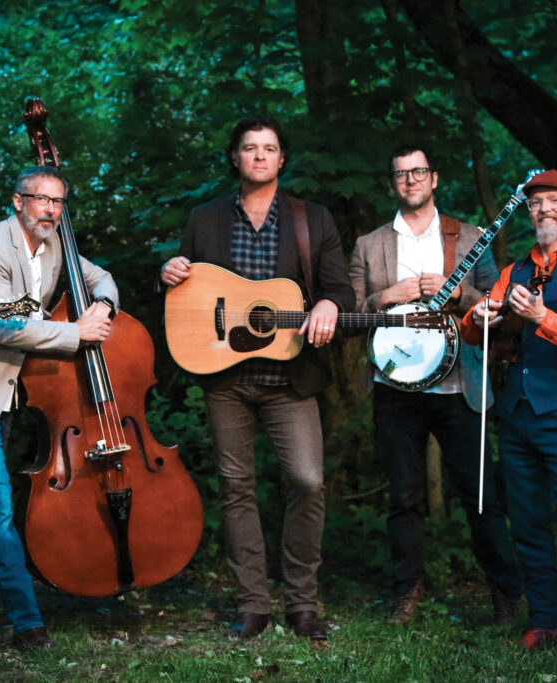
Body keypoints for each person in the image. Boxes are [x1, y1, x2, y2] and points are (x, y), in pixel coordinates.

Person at [160, 116, 355, 642]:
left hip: (290, 376)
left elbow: (341, 288)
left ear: (282, 159)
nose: (260, 156)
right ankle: (253, 605)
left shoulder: (310, 219)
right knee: (236, 488)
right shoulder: (205, 218)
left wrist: (332, 305)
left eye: (270, 149)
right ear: (235, 157)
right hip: (223, 375)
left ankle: (302, 603)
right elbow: (190, 293)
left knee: (308, 481)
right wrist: (171, 273)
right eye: (250, 148)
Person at [0, 165, 117, 650]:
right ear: (17, 201)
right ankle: (26, 621)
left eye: (57, 202)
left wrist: (104, 306)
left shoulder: (56, 243)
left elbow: (100, 277)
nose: (49, 210)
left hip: (17, 393)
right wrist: (77, 334)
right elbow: (7, 328)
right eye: (40, 199)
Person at [347, 145, 522, 625]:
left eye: (418, 171)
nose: (410, 180)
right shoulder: (370, 244)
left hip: (460, 385)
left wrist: (455, 290)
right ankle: (408, 591)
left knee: (480, 492)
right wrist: (387, 295)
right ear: (391, 184)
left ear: (435, 178)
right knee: (403, 497)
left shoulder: (469, 237)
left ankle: (504, 592)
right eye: (400, 174)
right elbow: (350, 314)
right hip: (395, 388)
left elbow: (496, 305)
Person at [461, 170, 557, 663]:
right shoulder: (515, 271)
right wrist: (478, 318)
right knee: (527, 524)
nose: (544, 209)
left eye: (555, 200)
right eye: (535, 203)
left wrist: (540, 318)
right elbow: (471, 328)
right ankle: (545, 622)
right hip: (518, 416)